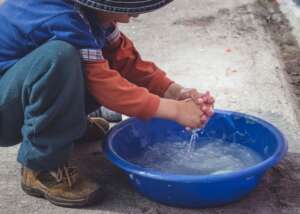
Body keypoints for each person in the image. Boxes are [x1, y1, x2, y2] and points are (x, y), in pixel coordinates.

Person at [0, 0, 214, 207]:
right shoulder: (59, 17)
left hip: (18, 92)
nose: (135, 14)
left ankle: (67, 128)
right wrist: (175, 111)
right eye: (129, 6)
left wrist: (175, 92)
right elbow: (105, 87)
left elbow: (124, 59)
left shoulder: (87, 12)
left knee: (93, 59)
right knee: (59, 58)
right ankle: (42, 166)